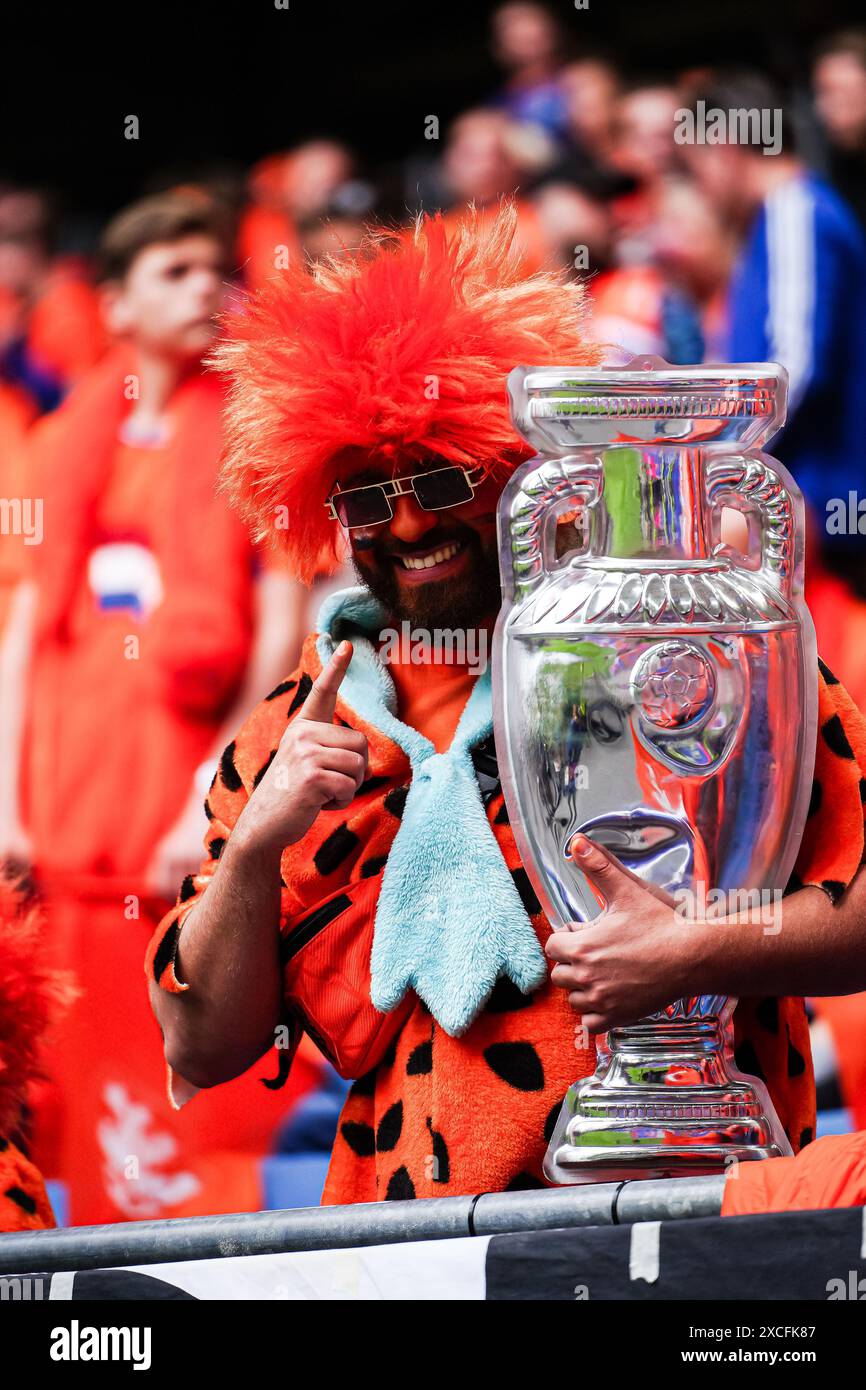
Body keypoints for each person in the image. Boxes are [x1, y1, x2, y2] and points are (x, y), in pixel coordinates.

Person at [147, 207, 866, 1203]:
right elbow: (201, 1042)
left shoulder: (688, 647)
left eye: (439, 478)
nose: (404, 523)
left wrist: (694, 949)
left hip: (677, 1209)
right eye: (362, 494)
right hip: (402, 1250)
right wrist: (257, 848)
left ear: (513, 462)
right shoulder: (294, 727)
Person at [3, 191, 320, 1223]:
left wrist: (206, 794)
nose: (205, 289)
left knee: (181, 1113)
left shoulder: (255, 430)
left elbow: (283, 635)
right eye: (174, 272)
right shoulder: (58, 438)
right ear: (115, 302)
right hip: (63, 829)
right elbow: (22, 632)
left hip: (177, 833)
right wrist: (4, 798)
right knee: (70, 1111)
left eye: (214, 269)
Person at [682, 72, 866, 549]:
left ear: (721, 146)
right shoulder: (777, 217)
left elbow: (795, 367)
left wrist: (718, 467)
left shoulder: (795, 209)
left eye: (693, 164)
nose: (697, 186)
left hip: (832, 506)